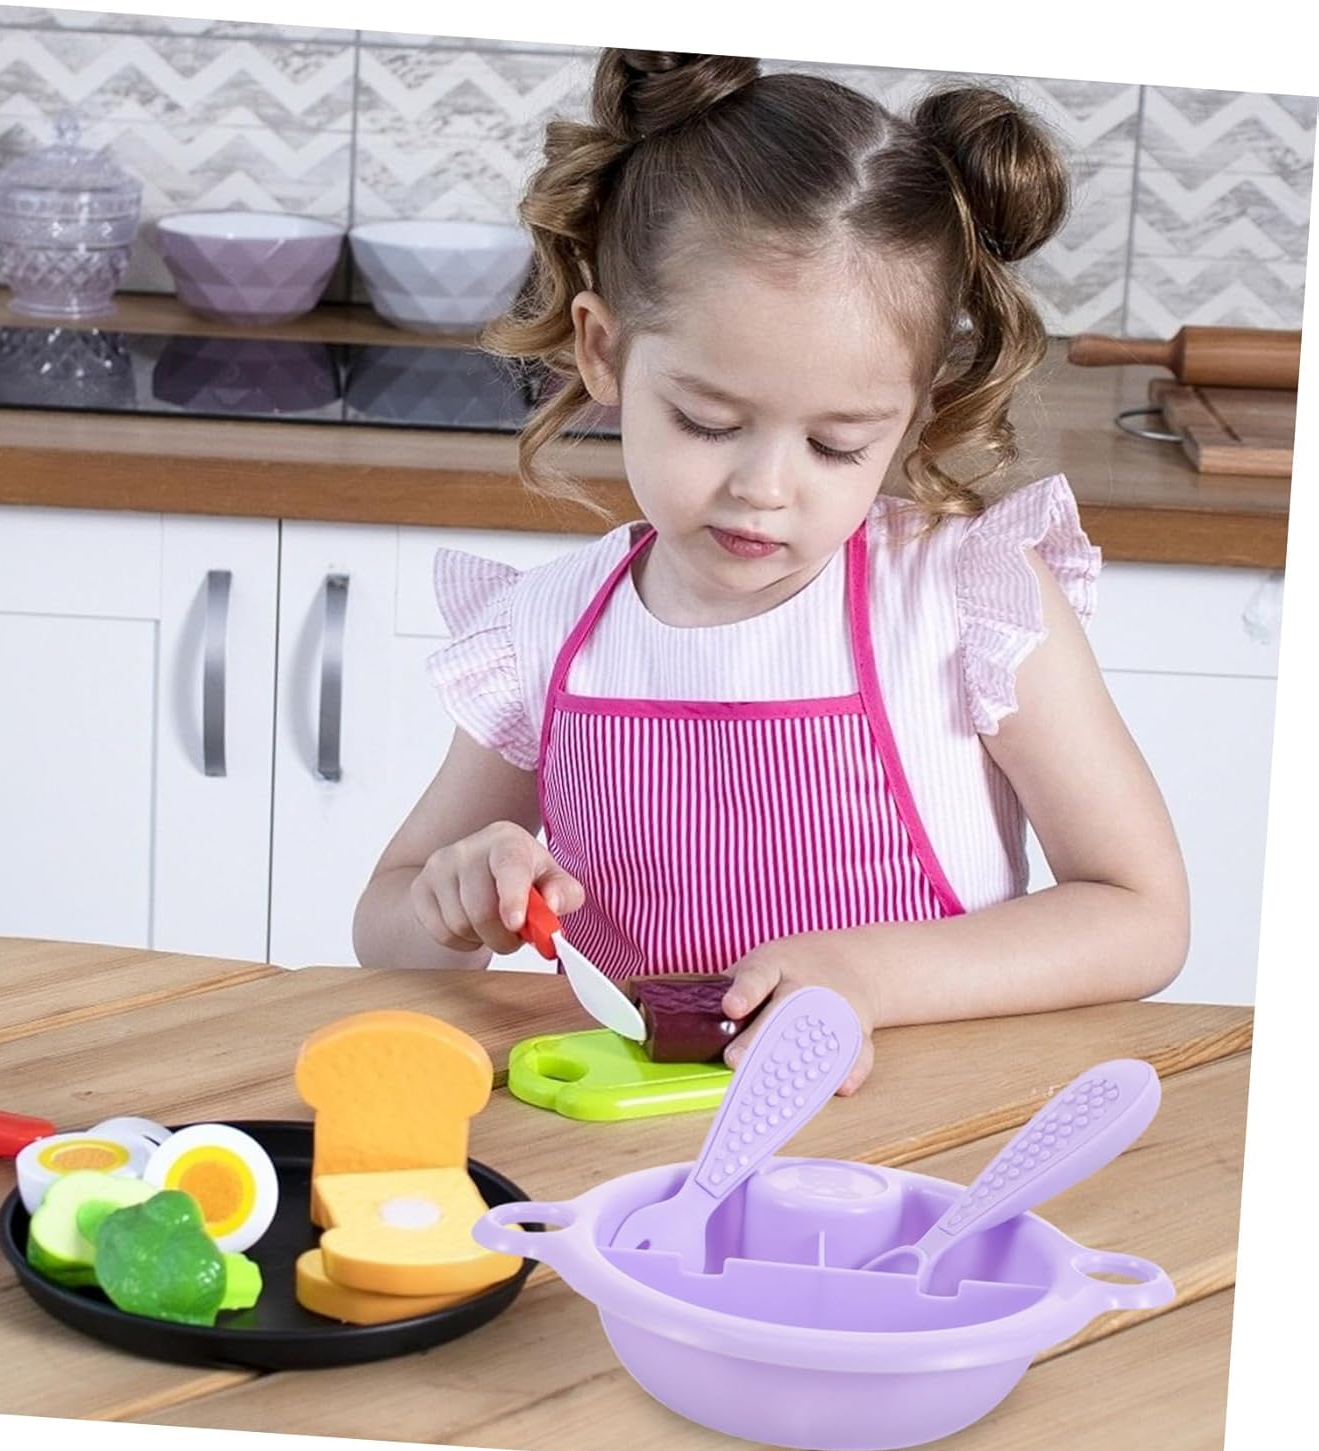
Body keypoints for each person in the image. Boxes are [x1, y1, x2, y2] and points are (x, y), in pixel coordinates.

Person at [352, 49, 1189, 1094]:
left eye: (838, 444)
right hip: (627, 1141)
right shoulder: (546, 629)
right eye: (709, 422)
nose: (765, 489)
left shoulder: (965, 600)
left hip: (910, 1136)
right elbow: (384, 926)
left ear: (916, 408)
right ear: (604, 351)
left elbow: (1141, 915)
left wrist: (866, 975)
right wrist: (454, 902)